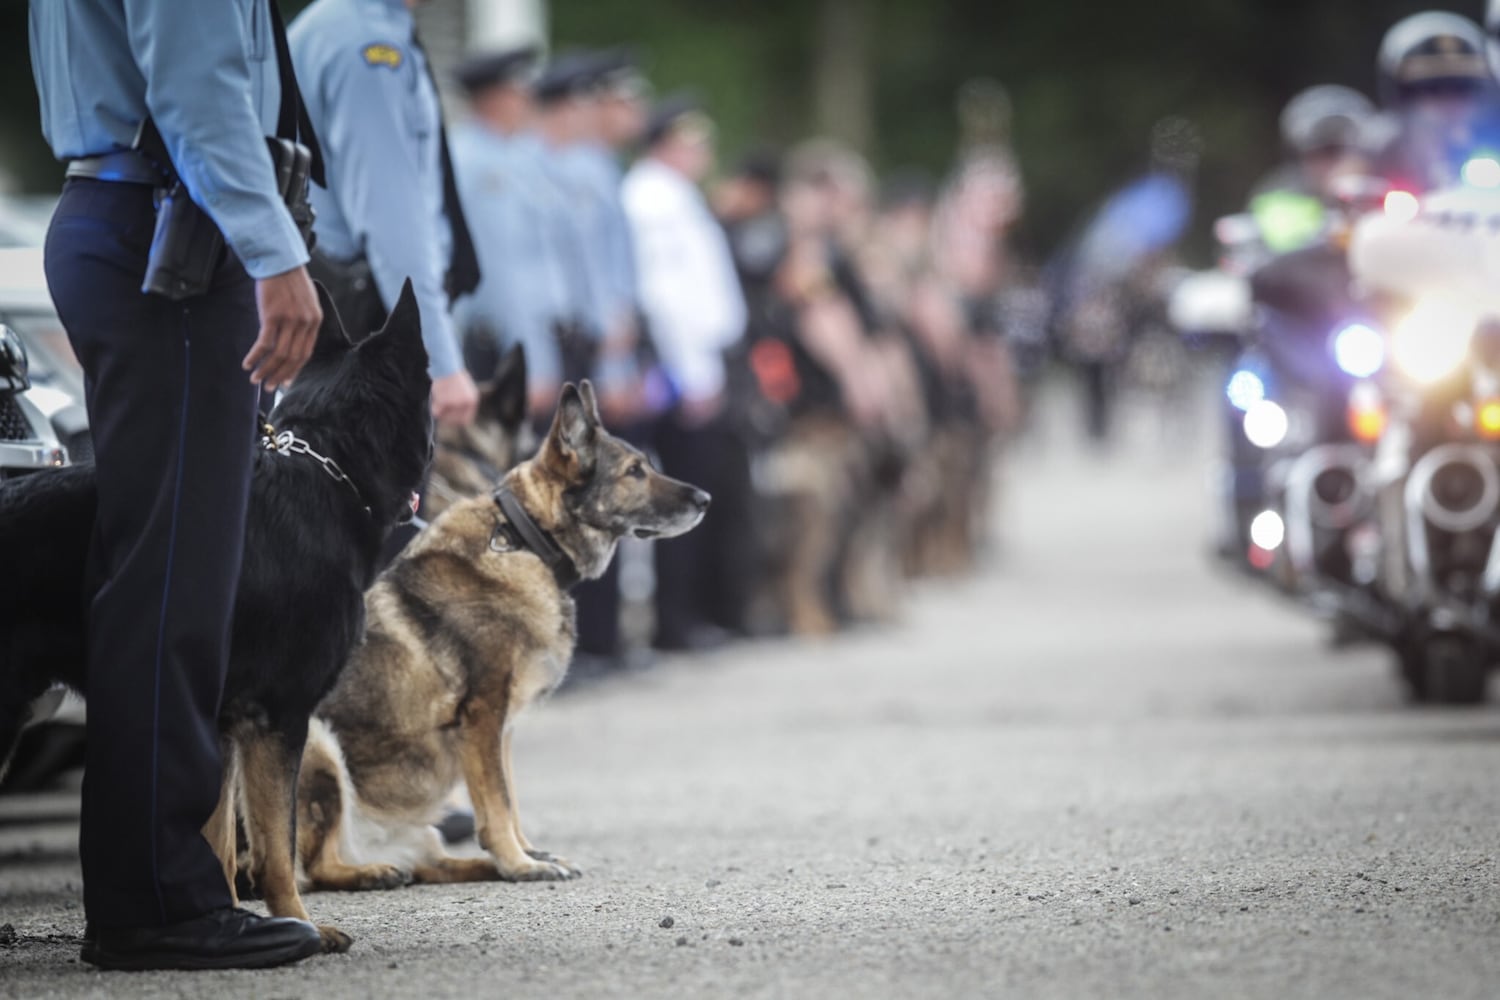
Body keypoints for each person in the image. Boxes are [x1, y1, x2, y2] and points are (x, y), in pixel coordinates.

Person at [28, 0, 324, 970]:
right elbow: (200, 88)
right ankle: (156, 896)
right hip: (173, 235)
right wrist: (273, 247)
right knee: (172, 589)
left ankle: (149, 884)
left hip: (137, 216)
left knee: (156, 576)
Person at [289, 0, 480, 428]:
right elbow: (392, 220)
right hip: (371, 320)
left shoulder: (347, 25)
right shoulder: (368, 45)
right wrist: (435, 358)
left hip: (356, 311)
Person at [623, 96, 752, 648]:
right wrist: (693, 373)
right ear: (667, 144)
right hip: (684, 369)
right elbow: (666, 295)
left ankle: (692, 614)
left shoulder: (675, 196)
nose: (703, 152)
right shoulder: (652, 199)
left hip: (701, 363)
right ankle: (674, 621)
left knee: (699, 493)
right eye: (693, 142)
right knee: (679, 496)